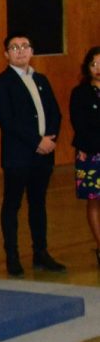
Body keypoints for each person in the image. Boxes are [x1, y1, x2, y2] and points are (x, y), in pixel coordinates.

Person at [0, 33, 65, 276]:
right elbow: (7, 121)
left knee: (39, 203)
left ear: (32, 51)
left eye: (24, 47)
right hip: (18, 155)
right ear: (6, 54)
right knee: (13, 204)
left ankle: (40, 252)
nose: (20, 51)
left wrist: (50, 139)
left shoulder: (41, 79)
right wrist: (36, 141)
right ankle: (12, 256)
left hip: (44, 154)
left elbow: (55, 112)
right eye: (14, 47)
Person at [69, 46, 100, 267]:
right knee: (94, 201)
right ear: (87, 67)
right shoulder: (80, 93)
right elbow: (80, 124)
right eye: (94, 64)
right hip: (91, 154)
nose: (98, 69)